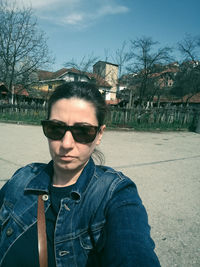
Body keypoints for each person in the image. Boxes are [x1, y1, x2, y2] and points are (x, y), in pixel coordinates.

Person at [0, 82, 160, 266]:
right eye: (56, 128)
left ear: (100, 134)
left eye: (83, 131)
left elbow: (133, 248)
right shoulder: (23, 178)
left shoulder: (113, 193)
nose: (66, 143)